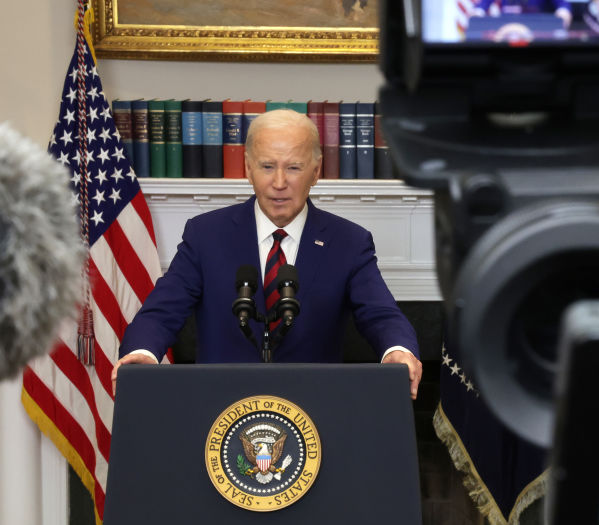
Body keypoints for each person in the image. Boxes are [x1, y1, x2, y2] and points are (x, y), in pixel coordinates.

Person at [113, 109, 423, 398]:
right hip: (220, 410)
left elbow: (381, 314)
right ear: (248, 169)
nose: (279, 183)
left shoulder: (349, 242)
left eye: (293, 168)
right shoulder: (205, 235)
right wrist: (143, 352)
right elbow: (162, 311)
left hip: (313, 413)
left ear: (315, 173)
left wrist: (398, 351)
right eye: (266, 167)